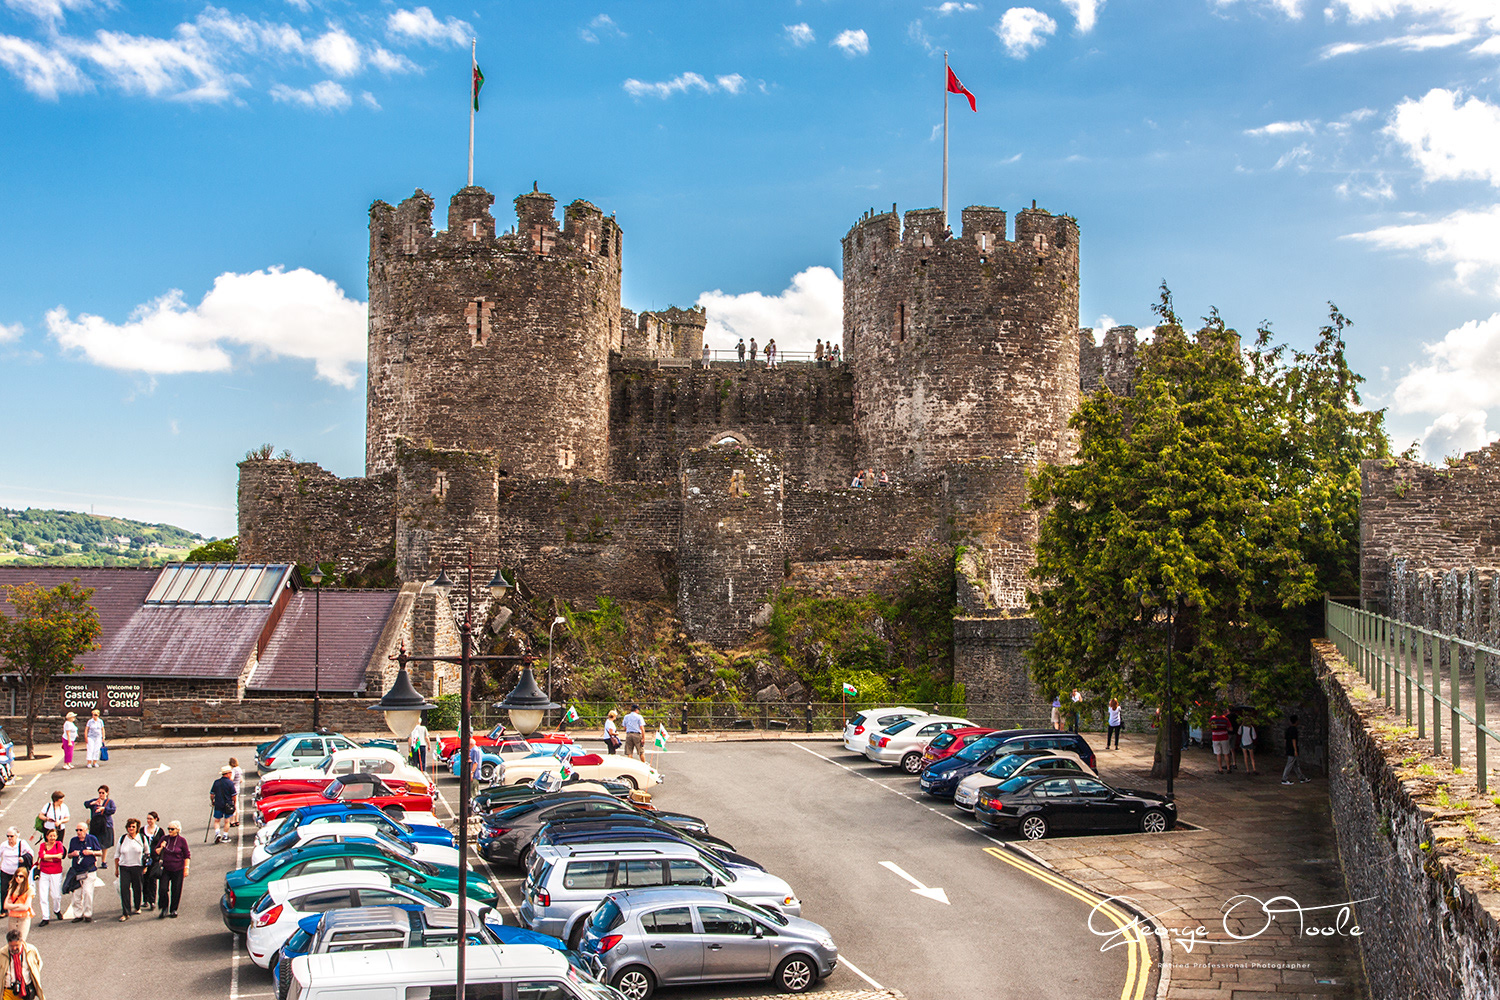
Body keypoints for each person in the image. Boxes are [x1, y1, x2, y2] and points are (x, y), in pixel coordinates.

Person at [64, 823, 100, 923]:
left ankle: (88, 914)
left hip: (89, 871)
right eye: (77, 830)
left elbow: (99, 852)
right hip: (77, 872)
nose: (79, 832)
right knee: (76, 895)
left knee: (87, 892)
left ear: (86, 830)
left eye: (81, 830)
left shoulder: (92, 839)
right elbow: (69, 855)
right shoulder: (73, 841)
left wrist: (91, 852)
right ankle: (78, 915)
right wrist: (72, 854)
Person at [154, 820, 190, 918]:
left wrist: (186, 868)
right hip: (165, 868)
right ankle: (163, 908)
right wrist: (162, 847)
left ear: (177, 830)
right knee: (163, 889)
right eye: (168, 829)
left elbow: (187, 855)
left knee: (176, 889)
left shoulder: (182, 841)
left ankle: (173, 909)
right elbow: (156, 851)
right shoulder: (164, 838)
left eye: (172, 829)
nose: (170, 830)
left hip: (178, 868)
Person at [114, 818, 148, 920]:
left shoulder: (142, 838)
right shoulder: (123, 838)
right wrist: (116, 869)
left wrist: (145, 866)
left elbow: (147, 852)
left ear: (137, 828)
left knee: (137, 888)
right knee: (124, 889)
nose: (131, 828)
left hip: (137, 867)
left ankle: (137, 906)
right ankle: (125, 912)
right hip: (124, 867)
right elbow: (117, 855)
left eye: (133, 827)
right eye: (129, 827)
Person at [34, 831, 62, 928]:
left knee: (55, 895)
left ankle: (57, 909)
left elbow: (60, 856)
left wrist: (48, 857)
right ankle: (45, 917)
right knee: (43, 895)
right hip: (44, 872)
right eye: (50, 836)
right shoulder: (43, 845)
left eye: (54, 836)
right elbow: (42, 856)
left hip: (56, 873)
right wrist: (53, 857)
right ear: (46, 836)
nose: (52, 838)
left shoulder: (59, 844)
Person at [3, 929, 42, 1000]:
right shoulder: (2, 954)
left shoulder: (31, 950)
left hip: (25, 991)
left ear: (22, 941)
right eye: (11, 946)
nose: (14, 948)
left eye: (16, 945)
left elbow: (38, 964)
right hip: (8, 991)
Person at [140, 813, 164, 912]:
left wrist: (161, 857)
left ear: (155, 819)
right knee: (144, 878)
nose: (149, 821)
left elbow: (163, 843)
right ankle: (145, 899)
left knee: (152, 879)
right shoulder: (142, 830)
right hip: (144, 857)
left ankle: (152, 900)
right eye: (148, 819)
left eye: (151, 819)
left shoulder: (160, 831)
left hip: (155, 858)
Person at [0, 832, 32, 904]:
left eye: (11, 836)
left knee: (19, 889)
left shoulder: (22, 843)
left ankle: (19, 905)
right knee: (4, 890)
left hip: (18, 872)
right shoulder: (4, 845)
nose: (9, 838)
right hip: (5, 870)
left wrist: (23, 858)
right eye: (7, 836)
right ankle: (4, 909)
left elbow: (30, 853)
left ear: (16, 836)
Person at [86, 787, 114, 866]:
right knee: (94, 843)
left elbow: (113, 810)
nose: (101, 794)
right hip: (95, 825)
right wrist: (93, 803)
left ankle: (103, 861)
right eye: (100, 793)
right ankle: (94, 862)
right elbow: (86, 804)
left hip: (106, 825)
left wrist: (104, 809)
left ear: (107, 793)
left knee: (105, 844)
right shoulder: (95, 800)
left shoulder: (109, 802)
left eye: (103, 793)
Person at [3, 864, 32, 942]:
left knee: (21, 941)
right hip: (12, 917)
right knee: (11, 941)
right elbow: (5, 905)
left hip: (23, 918)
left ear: (25, 877)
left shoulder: (29, 889)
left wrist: (12, 906)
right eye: (16, 876)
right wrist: (19, 905)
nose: (18, 878)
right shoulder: (12, 888)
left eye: (21, 876)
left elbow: (26, 907)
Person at [209, 766, 236, 843]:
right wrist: (234, 804)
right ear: (227, 774)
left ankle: (217, 833)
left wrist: (212, 801)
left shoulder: (216, 782)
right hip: (228, 804)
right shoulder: (230, 783)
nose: (231, 774)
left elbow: (212, 794)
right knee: (227, 821)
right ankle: (225, 836)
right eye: (230, 773)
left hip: (218, 803)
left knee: (217, 820)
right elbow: (234, 795)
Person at [1282, 714, 1310, 785]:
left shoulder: (1288, 729)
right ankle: (1284, 779)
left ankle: (1301, 777)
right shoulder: (1294, 730)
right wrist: (1295, 750)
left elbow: (1285, 740)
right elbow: (1293, 740)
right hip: (1292, 749)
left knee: (1296, 764)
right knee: (1290, 764)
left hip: (1289, 748)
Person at [1210, 708, 1232, 773]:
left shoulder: (1212, 719)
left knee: (1218, 754)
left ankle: (1220, 769)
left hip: (1216, 738)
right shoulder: (1225, 719)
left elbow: (1209, 727)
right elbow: (1230, 728)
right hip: (1224, 737)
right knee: (1226, 753)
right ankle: (1228, 768)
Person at [227, 758, 244, 827]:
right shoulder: (239, 769)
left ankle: (232, 820)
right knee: (237, 804)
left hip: (233, 790)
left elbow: (231, 778)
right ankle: (237, 820)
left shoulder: (233, 770)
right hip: (237, 788)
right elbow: (241, 780)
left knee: (233, 805)